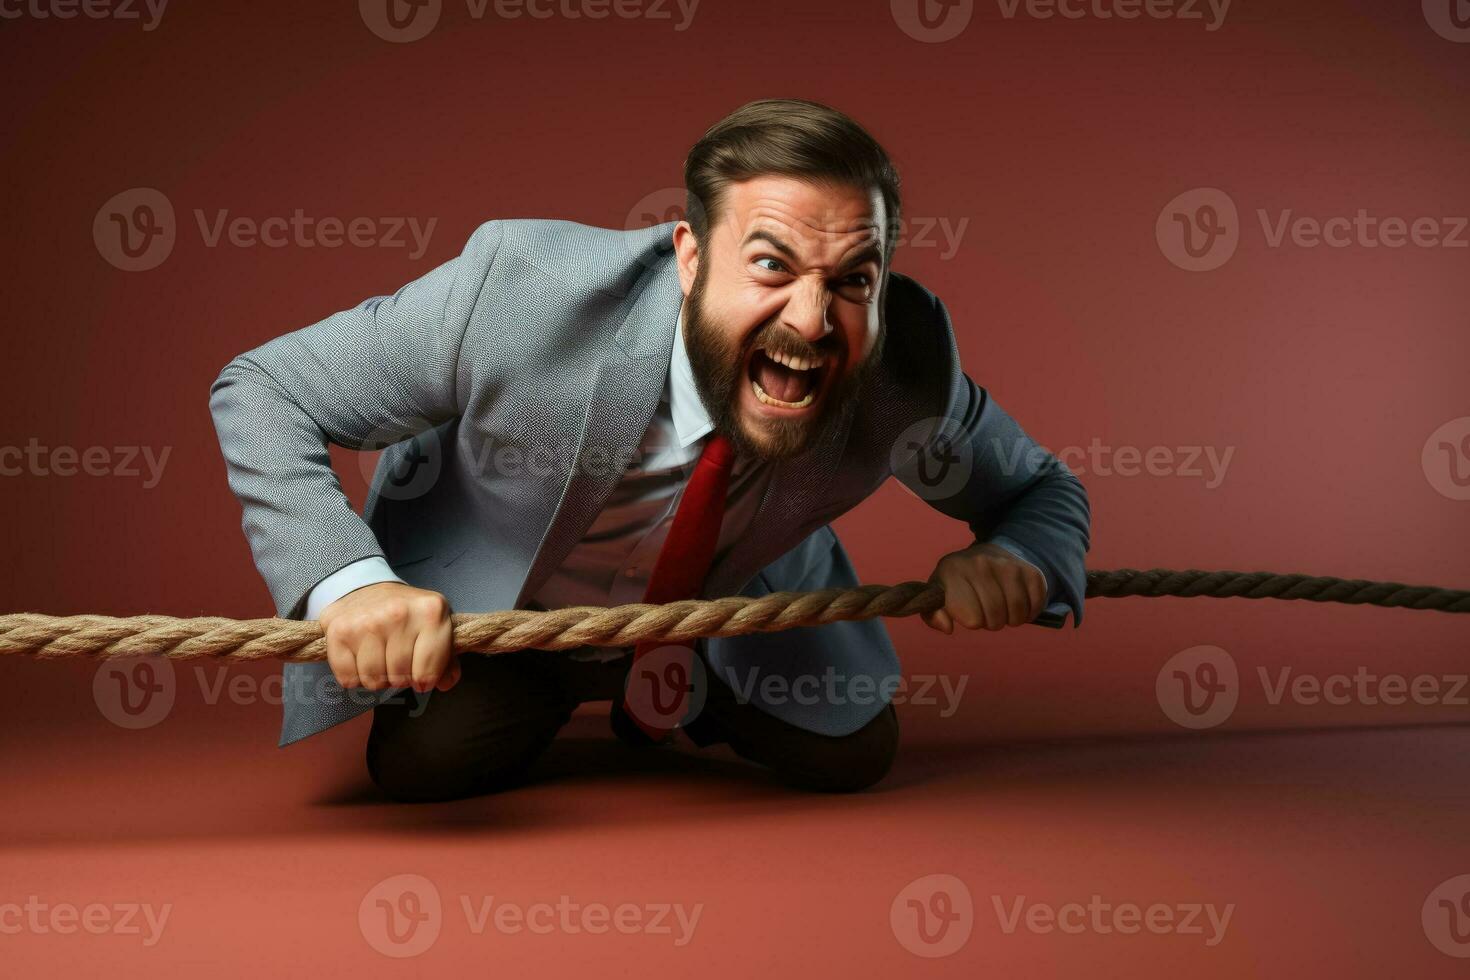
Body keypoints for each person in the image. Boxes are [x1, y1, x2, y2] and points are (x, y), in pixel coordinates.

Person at [209, 98, 1090, 802]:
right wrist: (354, 586)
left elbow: (1044, 495)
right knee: (421, 770)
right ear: (690, 258)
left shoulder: (906, 370)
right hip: (511, 611)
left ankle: (682, 683)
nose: (814, 323)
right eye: (773, 267)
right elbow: (267, 387)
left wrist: (1016, 556)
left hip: (728, 603)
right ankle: (565, 685)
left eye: (852, 281)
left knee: (854, 755)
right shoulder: (520, 290)